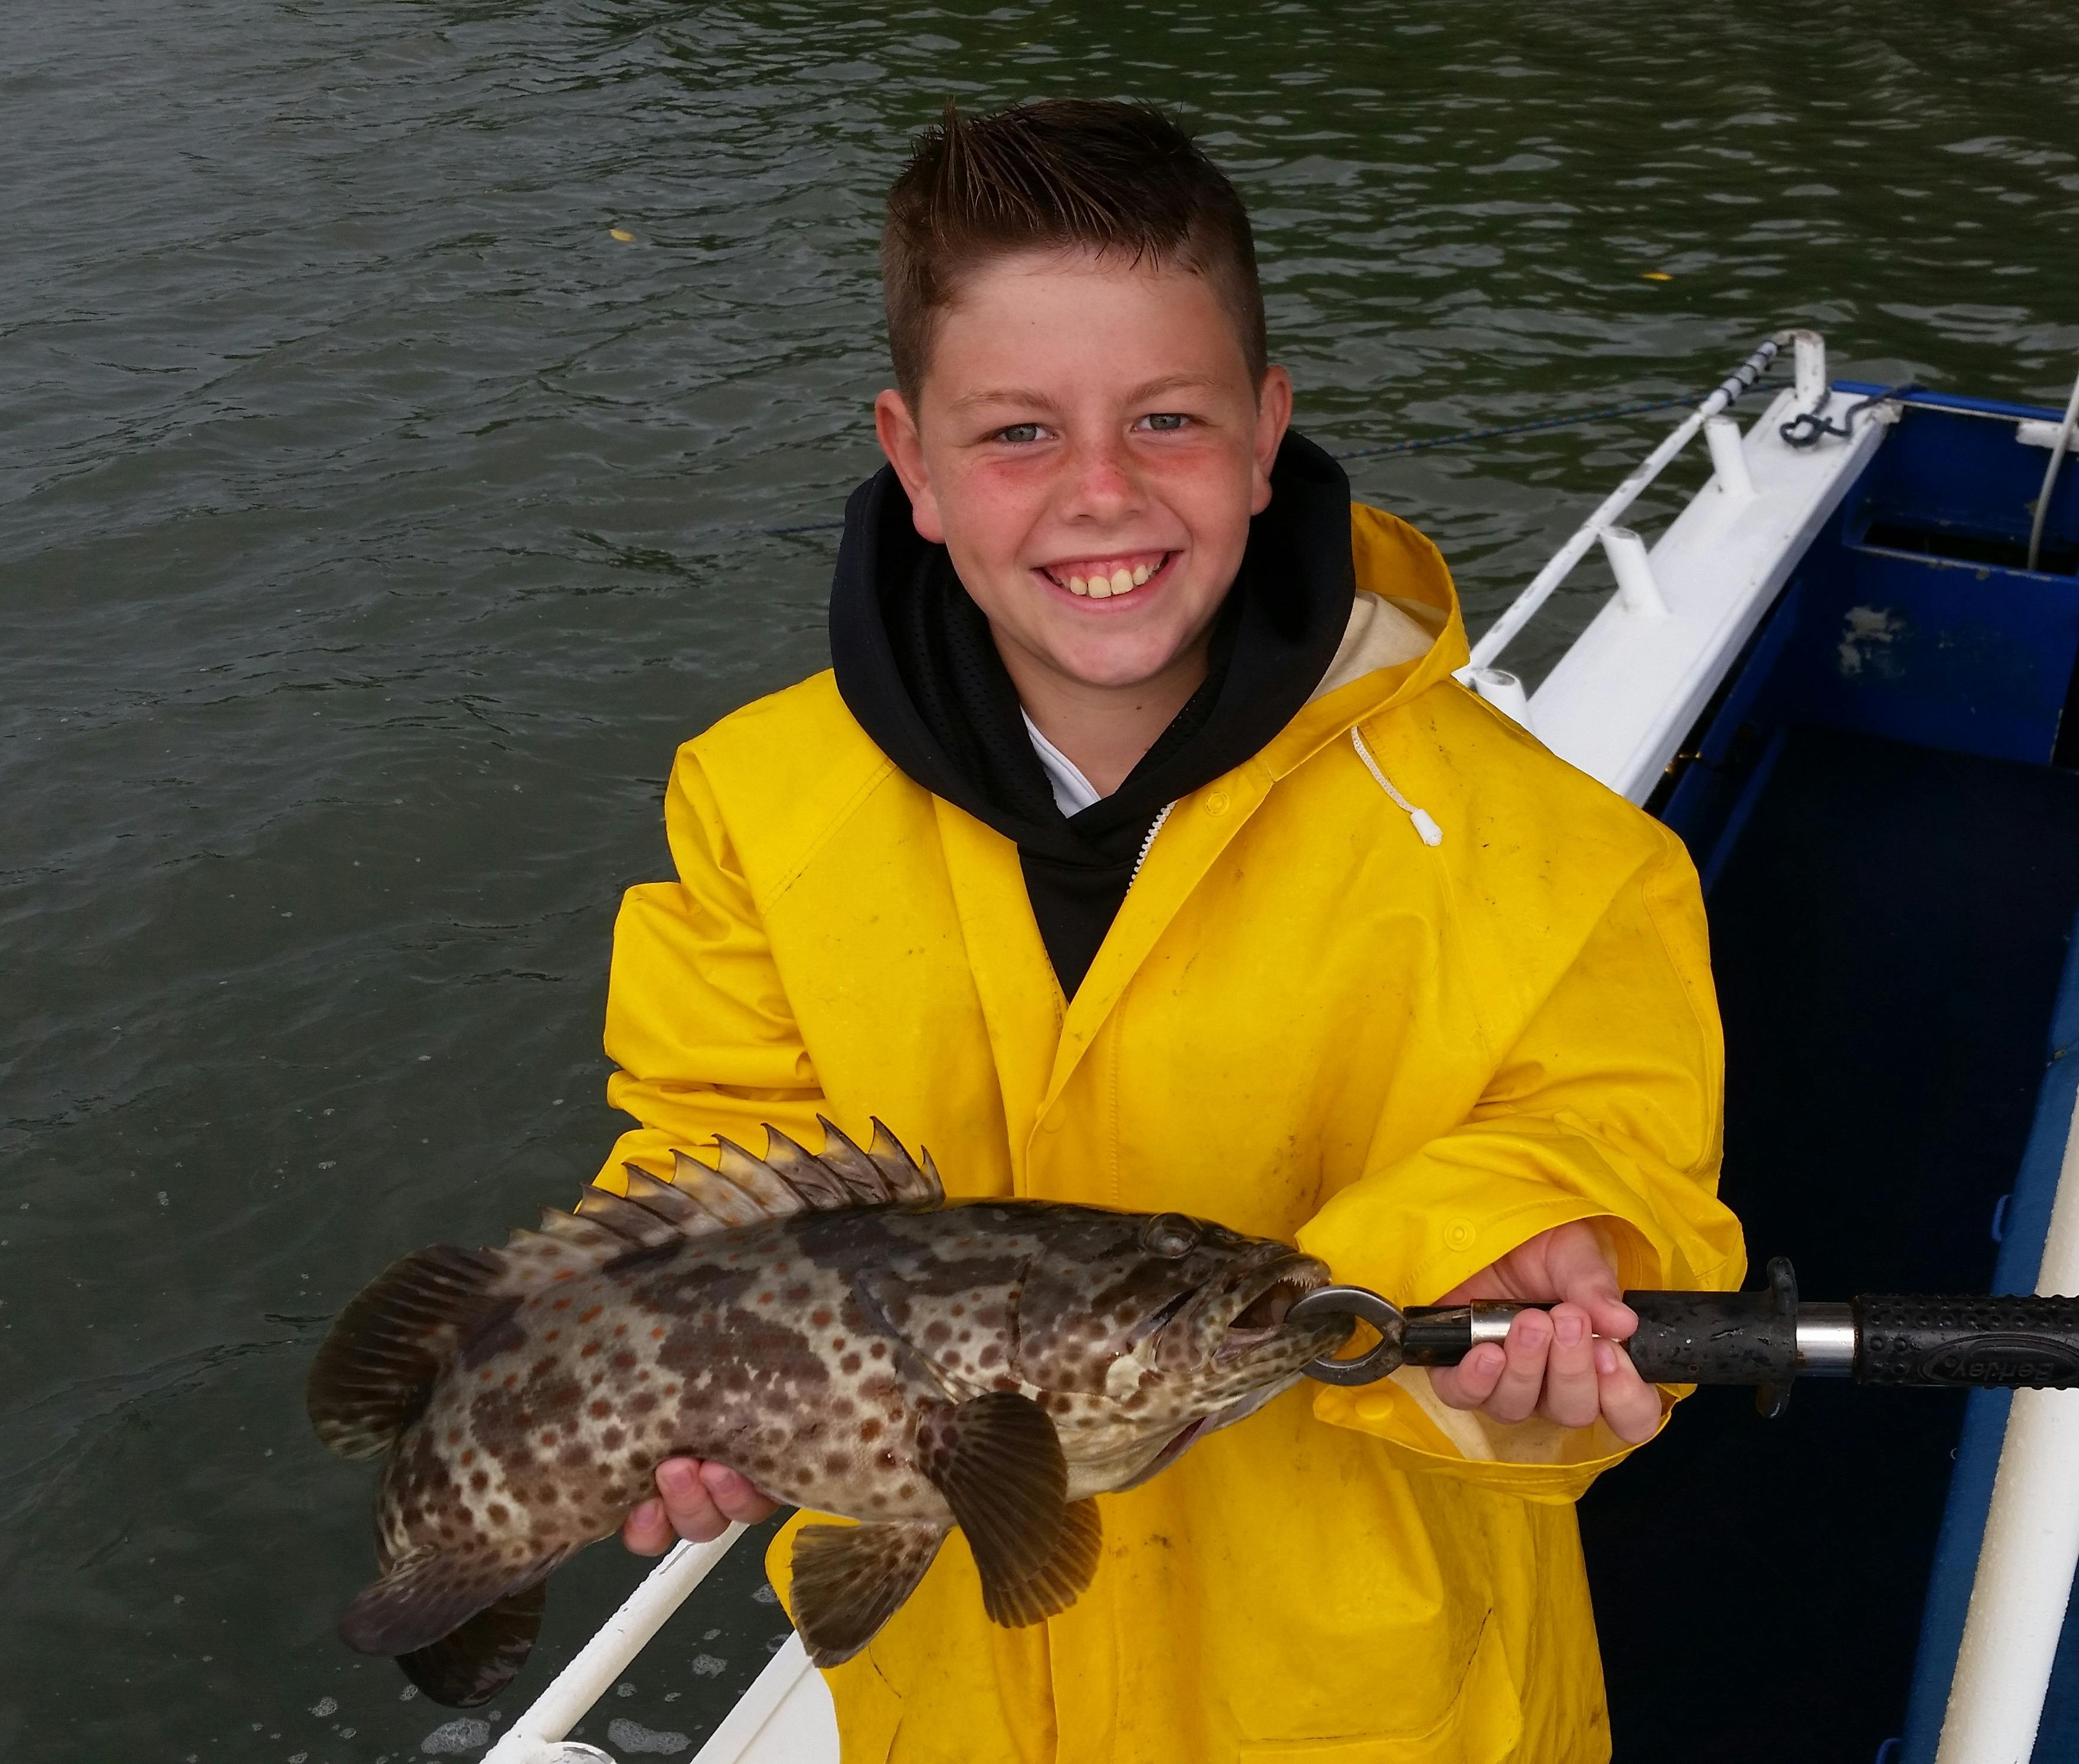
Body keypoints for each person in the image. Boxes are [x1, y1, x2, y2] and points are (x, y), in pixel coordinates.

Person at [588, 97, 1743, 1763]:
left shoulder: (1563, 850)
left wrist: (1525, 1262)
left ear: (1268, 435)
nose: (1103, 493)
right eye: (1016, 435)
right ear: (909, 461)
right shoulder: (751, 806)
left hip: (1389, 1717)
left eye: (1170, 419)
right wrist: (686, 1397)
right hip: (953, 1711)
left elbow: (1624, 1169)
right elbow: (710, 1149)